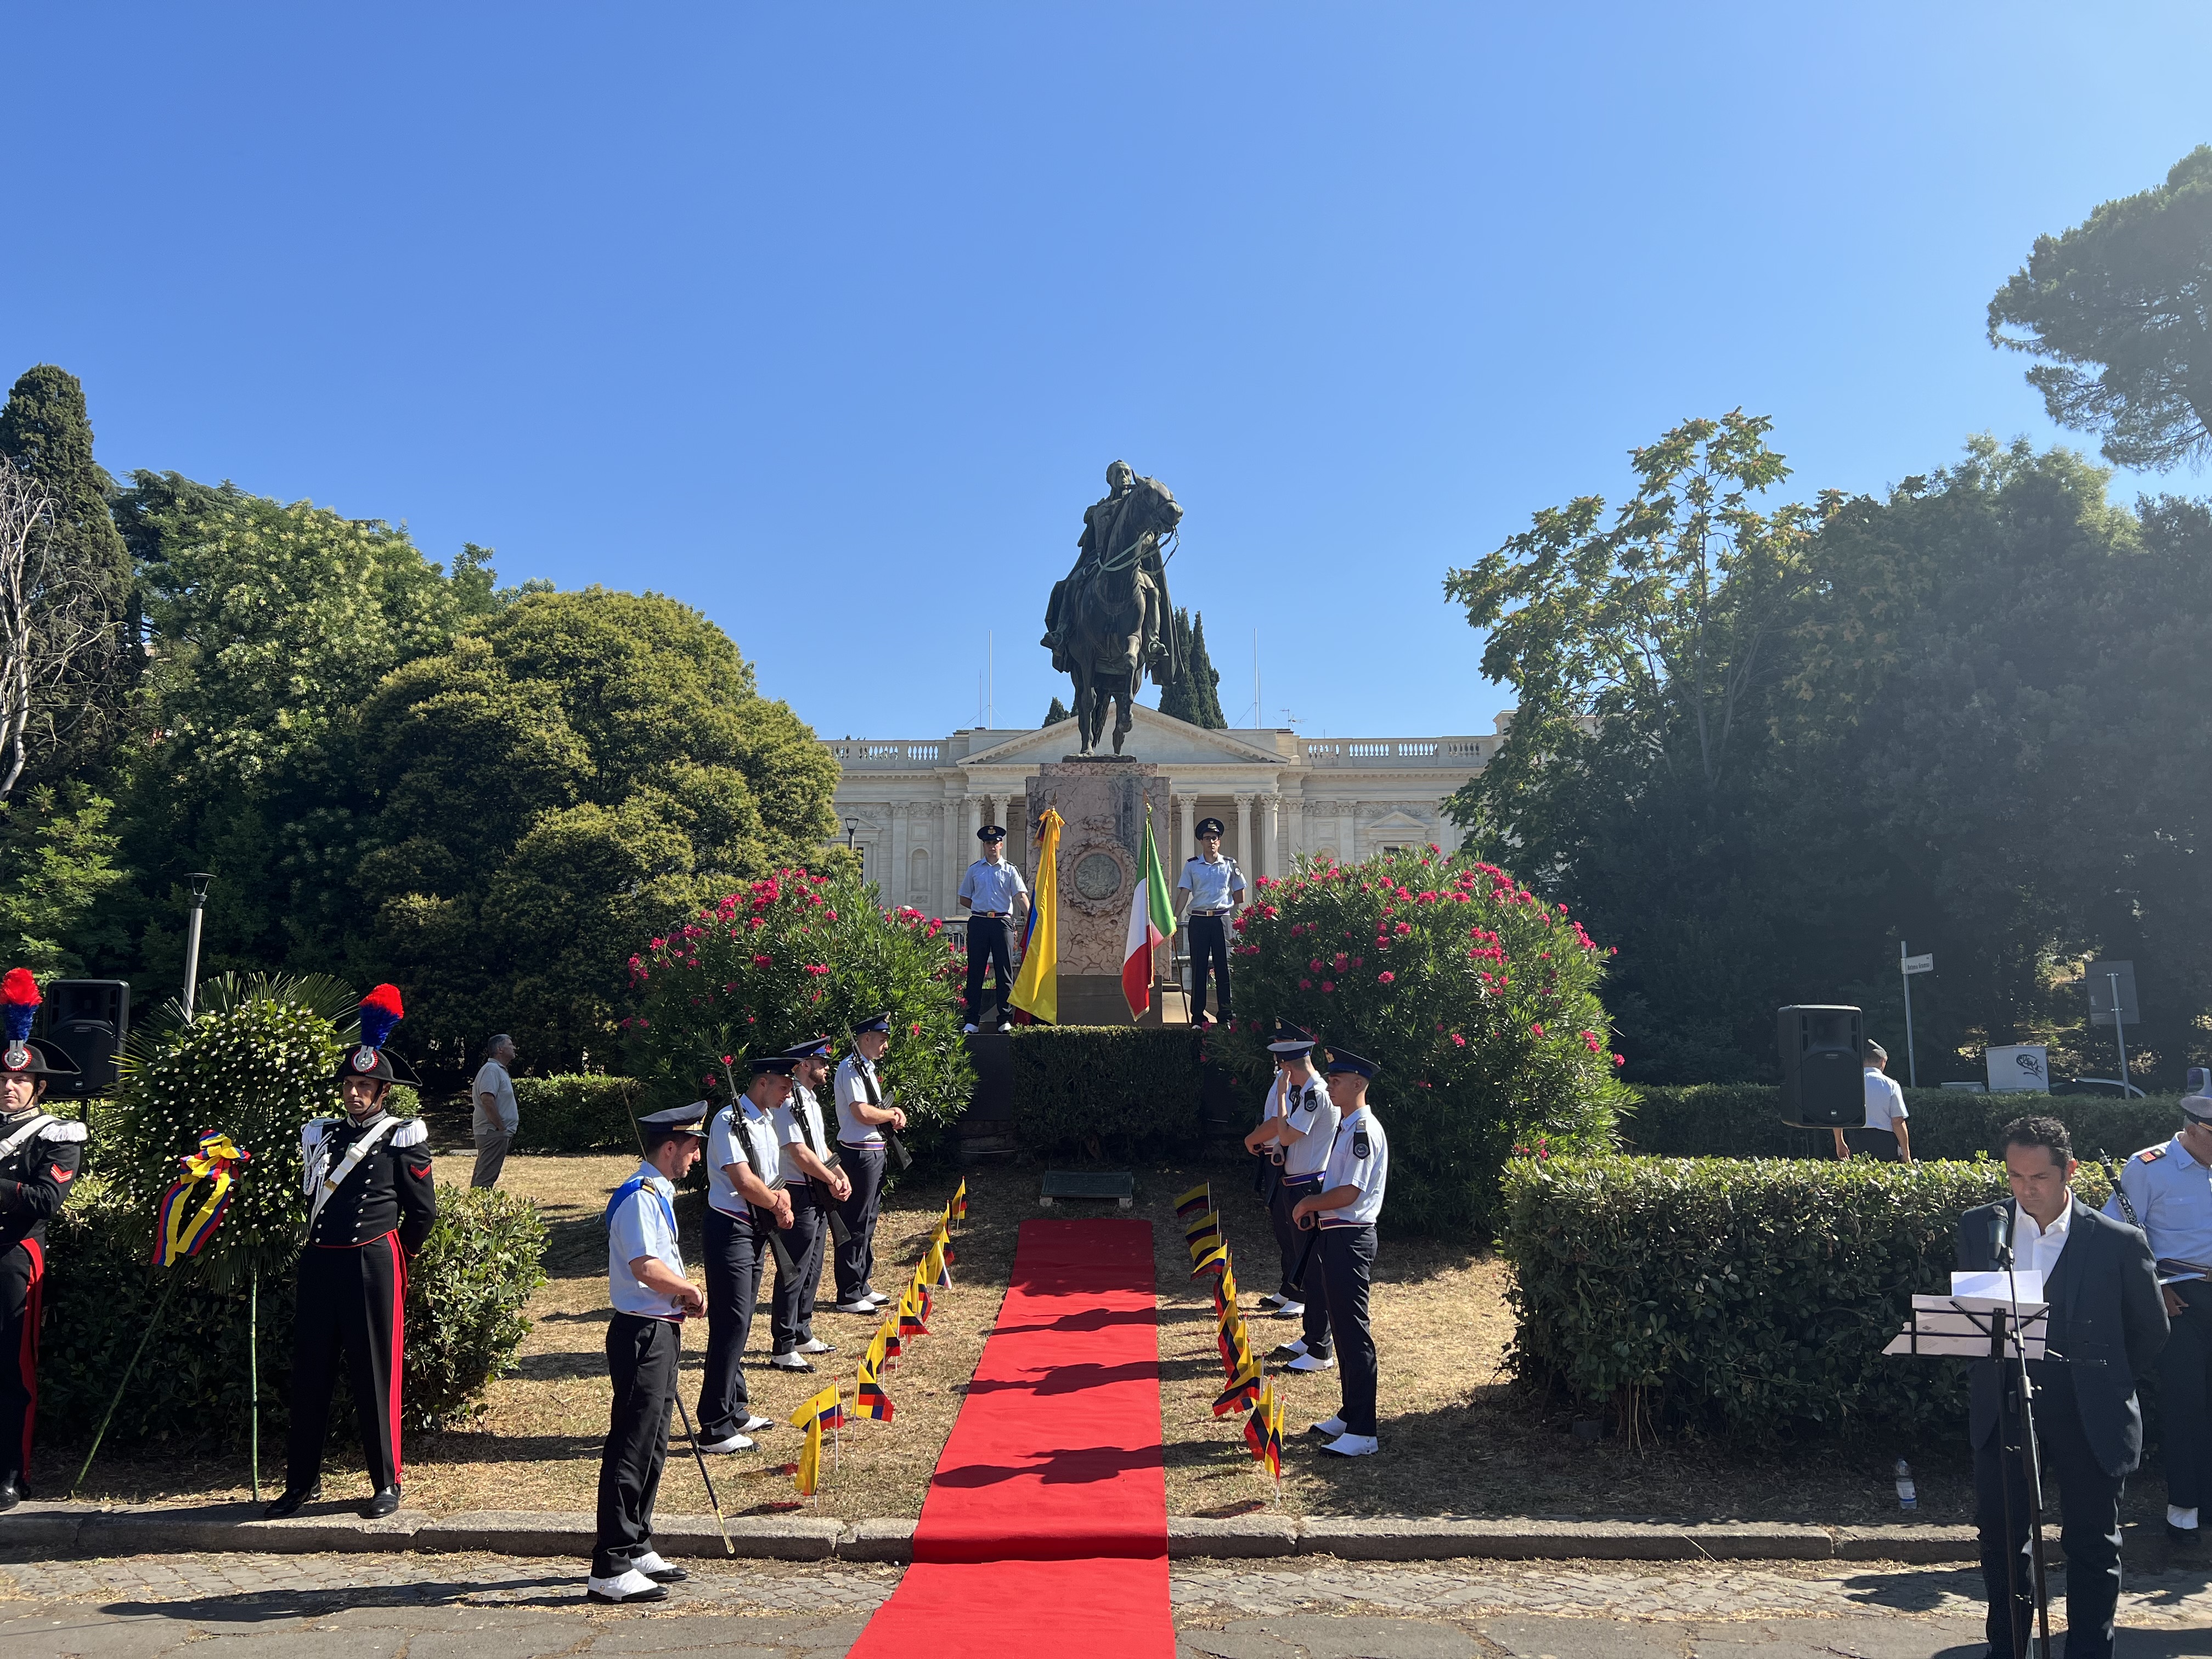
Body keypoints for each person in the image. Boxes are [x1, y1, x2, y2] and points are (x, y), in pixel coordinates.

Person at [1959, 1116, 2168, 1659]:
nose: (2027, 1189)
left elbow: (2148, 1331)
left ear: (2070, 1171)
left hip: (2090, 1410)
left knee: (2093, 1545)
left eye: (2040, 1177)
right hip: (2005, 1408)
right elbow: (1972, 1322)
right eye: (2015, 1176)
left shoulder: (2119, 1243)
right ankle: (2008, 1650)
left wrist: (2100, 1375)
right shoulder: (1982, 1228)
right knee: (2003, 1542)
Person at [267, 983, 437, 1521]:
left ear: (383, 1092)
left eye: (366, 1086)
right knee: (310, 1373)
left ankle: (386, 1482)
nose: (355, 1093)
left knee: (374, 1374)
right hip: (322, 1260)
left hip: (372, 1263)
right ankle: (301, 1483)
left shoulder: (401, 1136)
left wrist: (392, 1255)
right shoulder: (321, 1136)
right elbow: (306, 1198)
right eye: (350, 1084)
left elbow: (423, 1213)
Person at [590, 1104, 709, 1605]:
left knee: (655, 1440)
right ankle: (610, 1565)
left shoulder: (657, 1192)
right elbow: (645, 1267)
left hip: (659, 1329)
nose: (697, 1156)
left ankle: (636, 1542)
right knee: (632, 1446)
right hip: (642, 1332)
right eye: (692, 1147)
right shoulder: (640, 1197)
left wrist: (680, 1296)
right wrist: (689, 1290)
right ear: (670, 1148)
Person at [2103, 1081, 2212, 1549]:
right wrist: (2157, 1289)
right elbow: (2122, 1238)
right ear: (2195, 1129)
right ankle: (2184, 1508)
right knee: (2186, 1403)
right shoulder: (2150, 1167)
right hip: (2180, 1297)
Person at [0, 968, 84, 1511]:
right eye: (2, 1080)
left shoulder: (58, 1134)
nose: (8, 1087)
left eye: (19, 1081)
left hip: (13, 1259)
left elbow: (44, 1201)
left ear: (39, 1086)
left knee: (11, 1370)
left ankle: (11, 1473)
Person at [1290, 1043, 1390, 1459]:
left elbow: (1351, 1191)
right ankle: (1351, 1415)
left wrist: (1309, 1204)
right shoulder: (1349, 1126)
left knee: (1353, 1332)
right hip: (1337, 1234)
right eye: (1329, 1079)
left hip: (1351, 1238)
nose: (1330, 1085)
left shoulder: (1363, 1130)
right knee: (1342, 1327)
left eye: (1336, 1080)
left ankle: (1365, 1430)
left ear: (1358, 1084)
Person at [695, 1061, 797, 1454]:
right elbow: (741, 1178)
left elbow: (768, 1174)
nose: (788, 1092)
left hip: (753, 1227)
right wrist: (777, 1204)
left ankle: (734, 1407)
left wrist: (780, 1195)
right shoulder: (728, 1120)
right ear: (762, 1082)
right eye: (783, 1085)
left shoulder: (764, 1120)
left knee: (742, 1320)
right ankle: (715, 1425)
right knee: (730, 1322)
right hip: (730, 1229)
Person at [768, 1038, 851, 1372]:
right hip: (799, 1191)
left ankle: (802, 1330)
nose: (826, 1068)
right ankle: (783, 1345)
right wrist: (831, 1179)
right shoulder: (789, 1103)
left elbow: (820, 1146)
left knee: (813, 1265)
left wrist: (840, 1174)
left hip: (816, 1190)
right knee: (795, 1269)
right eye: (821, 1063)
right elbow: (798, 1152)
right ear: (804, 1065)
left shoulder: (810, 1101)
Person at [1243, 1021, 1333, 1329]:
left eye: (1282, 1063)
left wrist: (1282, 1096)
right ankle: (1310, 1331)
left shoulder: (1312, 1095)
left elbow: (1286, 1131)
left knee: (1308, 1258)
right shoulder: (1302, 1092)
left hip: (1306, 1184)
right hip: (1295, 1178)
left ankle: (1313, 1331)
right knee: (1293, 1245)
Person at [829, 1014, 907, 1314]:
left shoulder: (866, 1069)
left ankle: (861, 1283)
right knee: (855, 1221)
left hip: (873, 1149)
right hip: (859, 1153)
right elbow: (861, 1112)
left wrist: (889, 1118)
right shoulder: (851, 1069)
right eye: (882, 1039)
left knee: (869, 1220)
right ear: (866, 1039)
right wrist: (890, 1115)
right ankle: (848, 1292)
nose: (886, 1045)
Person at [957, 825, 1028, 1032]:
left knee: (1004, 972)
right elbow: (964, 897)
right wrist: (981, 908)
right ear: (984, 846)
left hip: (1002, 923)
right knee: (976, 971)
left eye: (995, 843)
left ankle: (1004, 1018)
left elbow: (1020, 896)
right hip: (979, 922)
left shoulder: (1010, 870)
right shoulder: (975, 869)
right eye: (988, 843)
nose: (991, 847)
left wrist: (1034, 919)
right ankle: (971, 1020)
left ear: (1001, 844)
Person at [1175, 817, 1245, 1028]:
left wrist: (1230, 905)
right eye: (1207, 838)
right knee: (1199, 967)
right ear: (1201, 841)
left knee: (1223, 967)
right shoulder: (1192, 866)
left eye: (1215, 838)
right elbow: (1184, 893)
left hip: (1222, 920)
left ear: (1219, 841)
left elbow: (1241, 893)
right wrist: (1174, 917)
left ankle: (1225, 1016)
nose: (1211, 842)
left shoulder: (1230, 865)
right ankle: (1198, 1017)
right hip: (1198, 919)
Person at [1832, 1039, 1912, 1165]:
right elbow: (1898, 1121)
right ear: (1883, 1061)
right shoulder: (1891, 1085)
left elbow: (1839, 1115)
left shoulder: (1848, 1083)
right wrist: (1906, 1154)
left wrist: (1839, 1141)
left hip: (1856, 1138)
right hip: (1885, 1141)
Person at [471, 1033, 521, 1189]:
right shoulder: (492, 1070)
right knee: (485, 1179)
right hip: (493, 1132)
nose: (514, 1048)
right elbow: (487, 1100)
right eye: (510, 1044)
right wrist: (500, 1127)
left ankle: (475, 1209)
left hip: (494, 1132)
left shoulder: (497, 1070)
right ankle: (478, 1211)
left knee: (484, 1175)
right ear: (500, 1049)